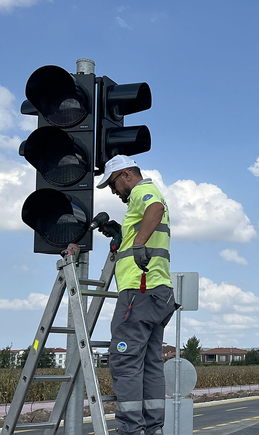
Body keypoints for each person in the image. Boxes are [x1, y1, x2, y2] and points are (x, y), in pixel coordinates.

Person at [97, 154, 176, 435]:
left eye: (113, 184)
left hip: (139, 292)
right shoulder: (140, 200)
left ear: (127, 174)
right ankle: (153, 428)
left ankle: (131, 429)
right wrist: (126, 237)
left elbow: (154, 208)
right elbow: (148, 219)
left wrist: (138, 242)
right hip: (158, 293)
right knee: (150, 362)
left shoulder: (145, 191)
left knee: (125, 358)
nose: (114, 191)